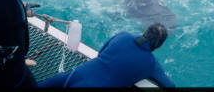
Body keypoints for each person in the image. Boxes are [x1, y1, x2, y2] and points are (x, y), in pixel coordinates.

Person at [38, 23, 175, 88]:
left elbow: (101, 53)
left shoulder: (123, 36)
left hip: (75, 75)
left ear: (144, 31)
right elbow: (170, 86)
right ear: (160, 45)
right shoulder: (151, 64)